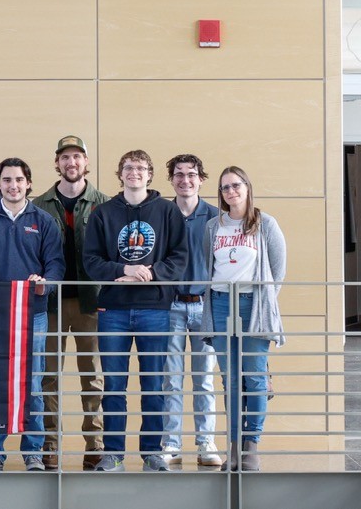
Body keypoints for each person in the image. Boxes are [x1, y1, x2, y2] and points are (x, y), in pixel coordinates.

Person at [83, 149, 187, 473]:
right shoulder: (103, 213)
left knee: (153, 383)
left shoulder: (168, 212)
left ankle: (152, 453)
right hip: (112, 310)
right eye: (128, 167)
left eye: (141, 168)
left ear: (150, 174)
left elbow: (179, 258)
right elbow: (91, 261)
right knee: (114, 385)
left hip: (154, 309)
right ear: (120, 173)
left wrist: (151, 273)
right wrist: (123, 269)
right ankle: (113, 454)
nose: (134, 172)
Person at [0, 159, 64, 472]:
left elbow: (56, 266)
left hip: (35, 315)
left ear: (28, 184)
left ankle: (33, 452)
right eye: (6, 180)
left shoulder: (43, 220)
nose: (13, 185)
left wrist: (44, 285)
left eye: (19, 180)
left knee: (32, 384)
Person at [32, 135, 109, 470]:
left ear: (86, 163)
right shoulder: (38, 204)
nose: (71, 162)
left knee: (92, 375)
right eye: (65, 157)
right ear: (56, 163)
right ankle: (49, 446)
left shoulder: (104, 204)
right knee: (48, 376)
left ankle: (95, 445)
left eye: (77, 156)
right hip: (50, 303)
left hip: (91, 303)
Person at [203, 167, 286, 473]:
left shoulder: (266, 224)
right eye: (224, 188)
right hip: (222, 304)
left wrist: (263, 302)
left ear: (247, 187)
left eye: (236, 185)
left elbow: (278, 271)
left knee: (254, 379)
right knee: (231, 381)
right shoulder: (214, 226)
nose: (231, 192)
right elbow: (208, 268)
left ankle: (251, 447)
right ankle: (234, 449)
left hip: (254, 306)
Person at [161, 154, 220, 467]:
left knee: (204, 380)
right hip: (169, 306)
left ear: (201, 179)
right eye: (179, 174)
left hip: (204, 307)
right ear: (171, 179)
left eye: (192, 174)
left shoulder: (215, 216)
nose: (185, 180)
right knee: (170, 379)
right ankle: (170, 444)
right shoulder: (161, 214)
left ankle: (206, 443)